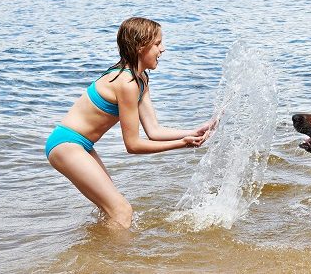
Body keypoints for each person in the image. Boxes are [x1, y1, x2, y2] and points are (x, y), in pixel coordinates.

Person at [44, 17, 214, 229]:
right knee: (122, 210)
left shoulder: (141, 79)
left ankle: (99, 254)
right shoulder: (126, 82)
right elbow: (132, 145)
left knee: (110, 210)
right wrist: (182, 144)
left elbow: (154, 131)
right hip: (66, 144)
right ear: (141, 46)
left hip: (81, 145)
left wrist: (193, 132)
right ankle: (115, 259)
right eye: (158, 44)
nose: (163, 49)